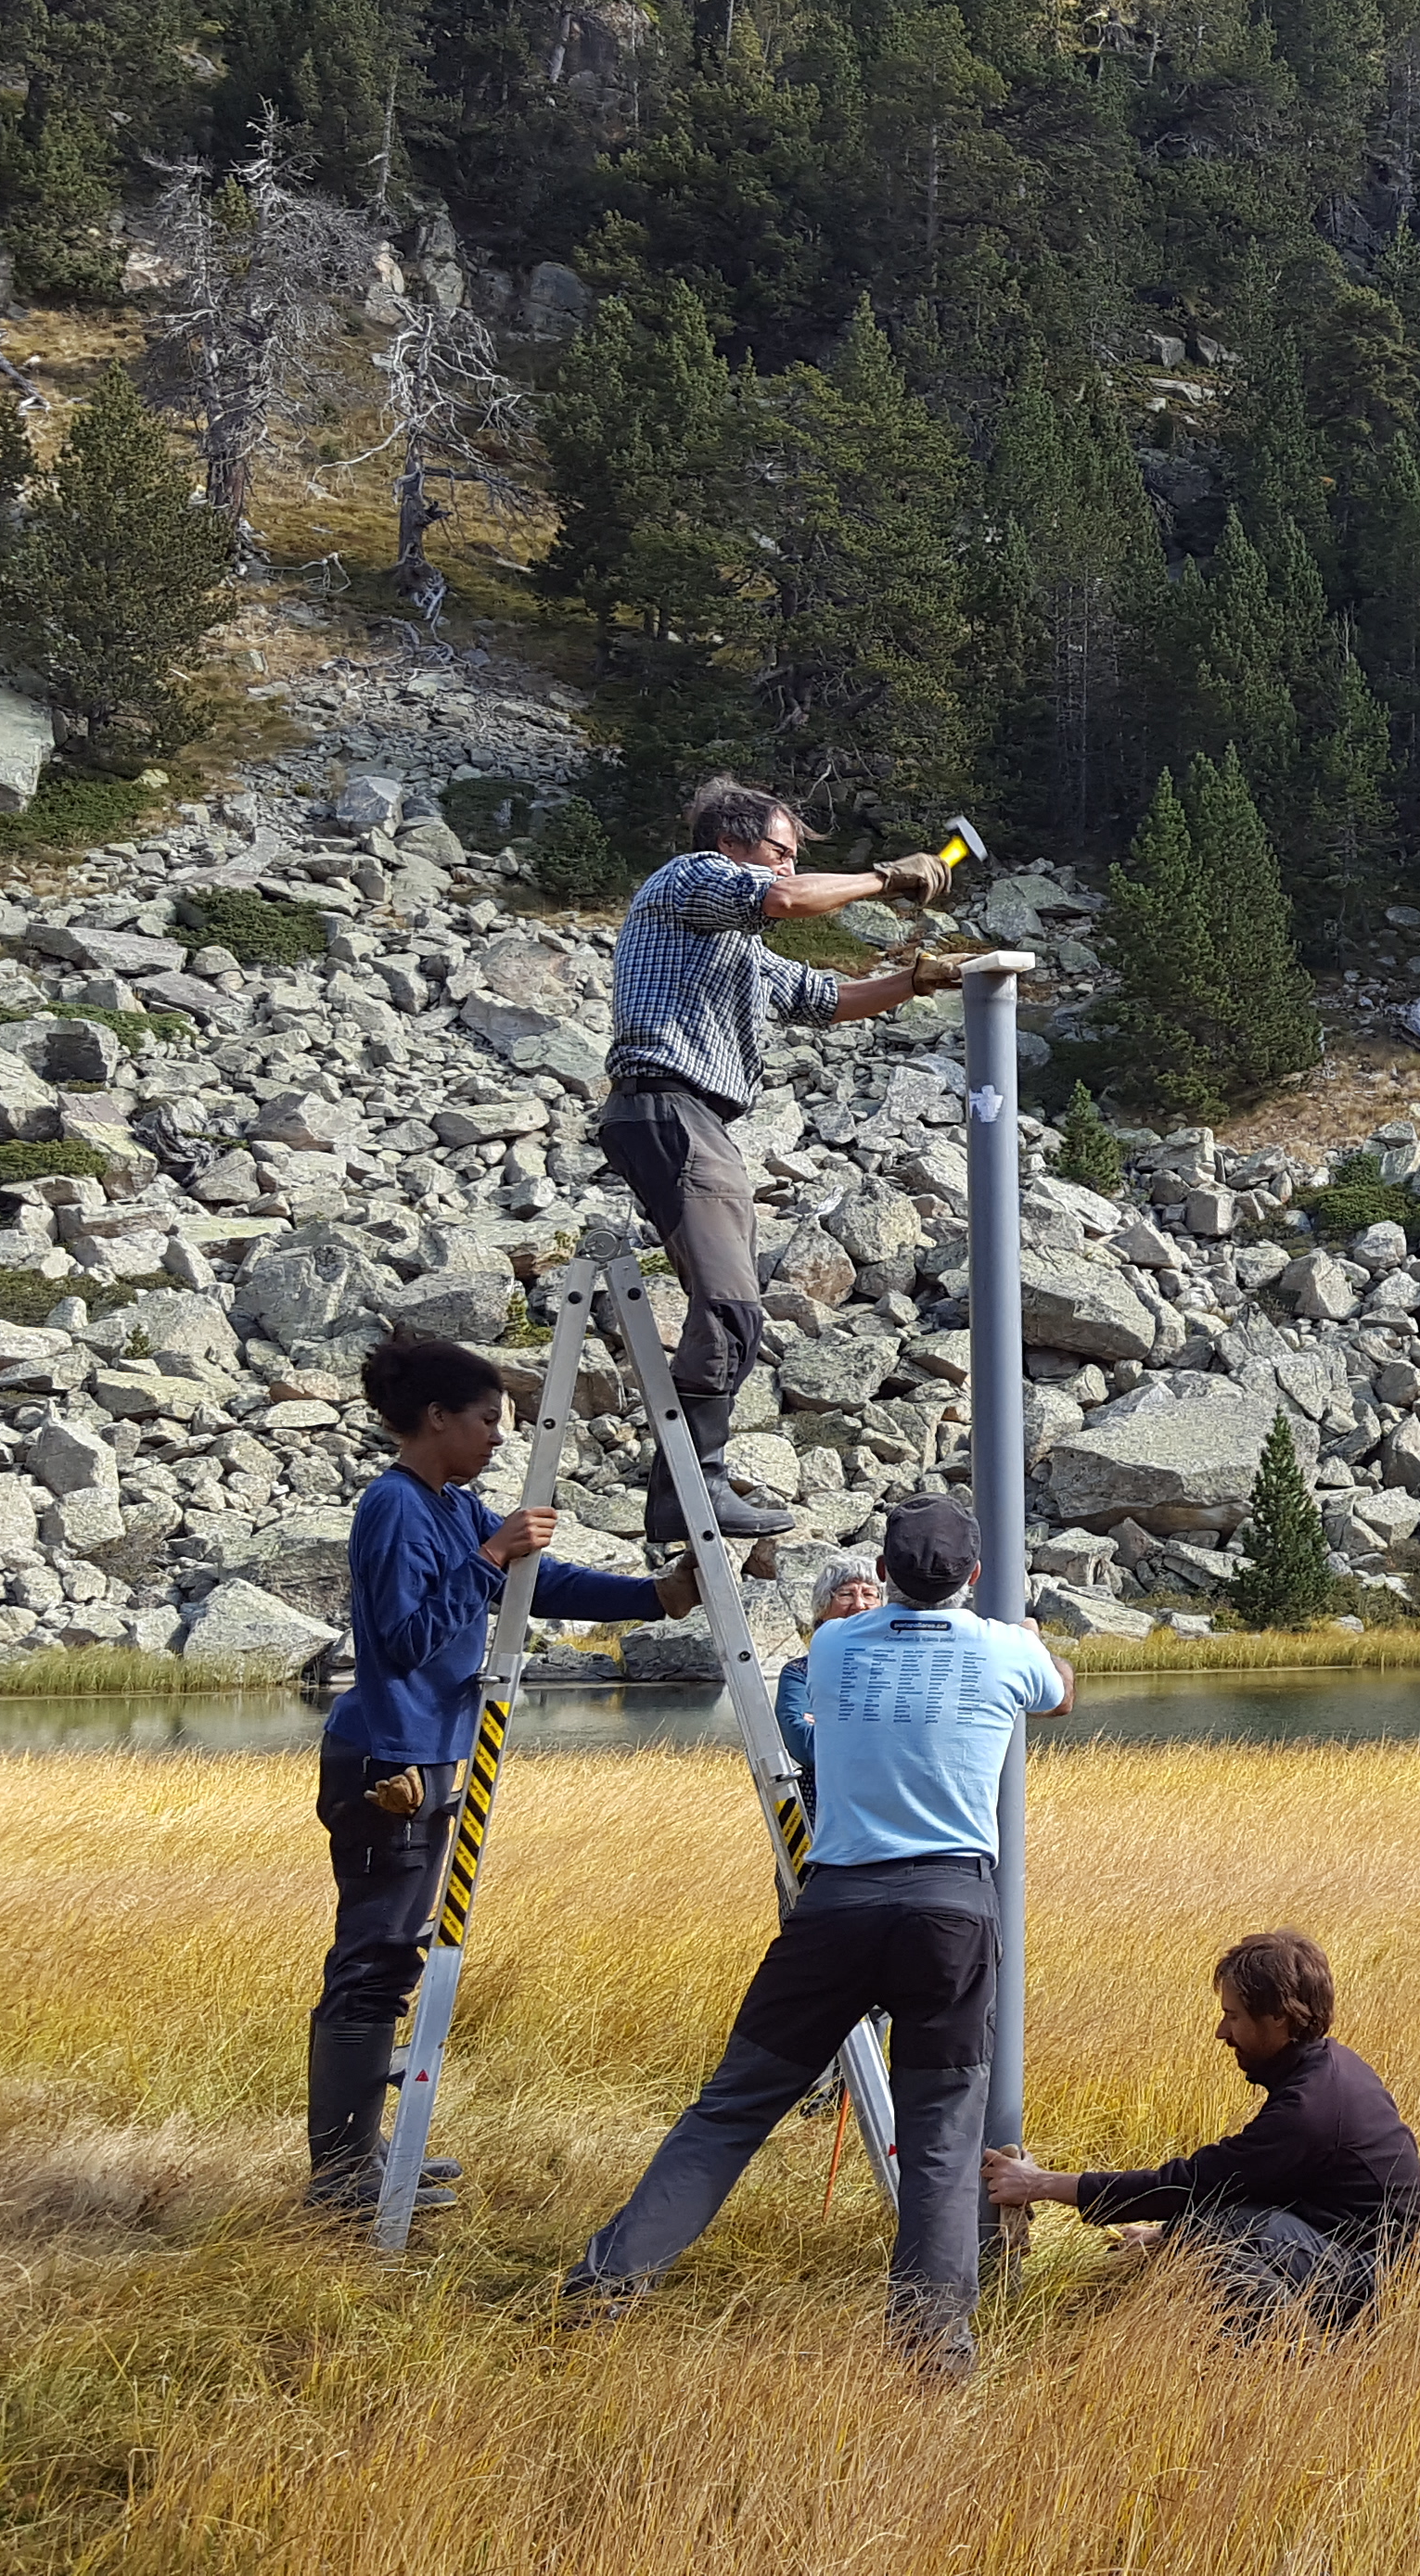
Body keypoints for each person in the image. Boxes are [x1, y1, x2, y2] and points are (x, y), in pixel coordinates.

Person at [565, 1496, 1068, 2375]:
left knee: (729, 2111)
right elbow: (1062, 1696)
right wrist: (1023, 1631)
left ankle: (603, 2286)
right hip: (951, 1909)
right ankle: (932, 2349)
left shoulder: (835, 1648)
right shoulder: (1005, 1650)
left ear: (885, 1571)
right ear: (976, 1576)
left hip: (835, 1907)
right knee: (942, 2138)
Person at [308, 1335, 698, 2213]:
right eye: (487, 1420)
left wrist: (652, 1597)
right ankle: (339, 2178)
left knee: (392, 1958)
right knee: (372, 1965)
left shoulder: (450, 1504)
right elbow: (403, 1641)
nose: (497, 1438)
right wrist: (487, 1558)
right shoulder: (395, 1507)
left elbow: (534, 1582)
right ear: (437, 1417)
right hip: (389, 1765)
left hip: (428, 1756)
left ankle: (365, 2159)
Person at [602, 778, 969, 1538]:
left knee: (736, 1312)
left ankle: (689, 1490)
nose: (787, 868)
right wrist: (888, 877)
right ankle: (689, 1488)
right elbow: (792, 901)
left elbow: (825, 997)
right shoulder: (687, 880)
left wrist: (913, 979)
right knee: (732, 1305)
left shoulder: (732, 948)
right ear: (731, 846)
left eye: (791, 858)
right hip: (667, 1106)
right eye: (781, 853)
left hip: (695, 1118)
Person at [982, 1929, 1420, 2336]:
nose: (1221, 2031)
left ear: (1279, 2017)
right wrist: (1168, 2238)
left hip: (1388, 2284)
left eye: (1233, 2016)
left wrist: (1040, 2185)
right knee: (1207, 2223)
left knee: (1217, 2231)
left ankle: (1286, 2362)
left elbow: (1195, 2184)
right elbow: (1260, 2187)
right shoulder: (1332, 2069)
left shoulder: (1309, 2110)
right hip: (1385, 2265)